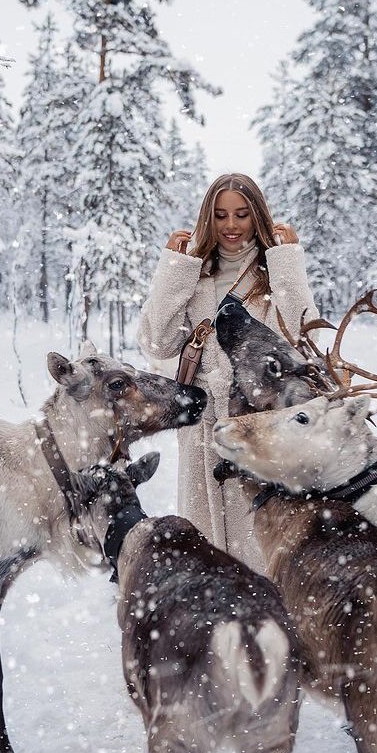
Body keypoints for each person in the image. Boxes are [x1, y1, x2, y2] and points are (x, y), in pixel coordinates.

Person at [136, 172, 318, 571]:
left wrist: (287, 262)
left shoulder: (272, 275)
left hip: (259, 429)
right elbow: (155, 343)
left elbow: (303, 341)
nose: (231, 226)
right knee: (206, 566)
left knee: (262, 558)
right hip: (202, 429)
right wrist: (174, 269)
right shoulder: (193, 276)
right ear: (208, 219)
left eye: (241, 214)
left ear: (258, 217)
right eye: (220, 216)